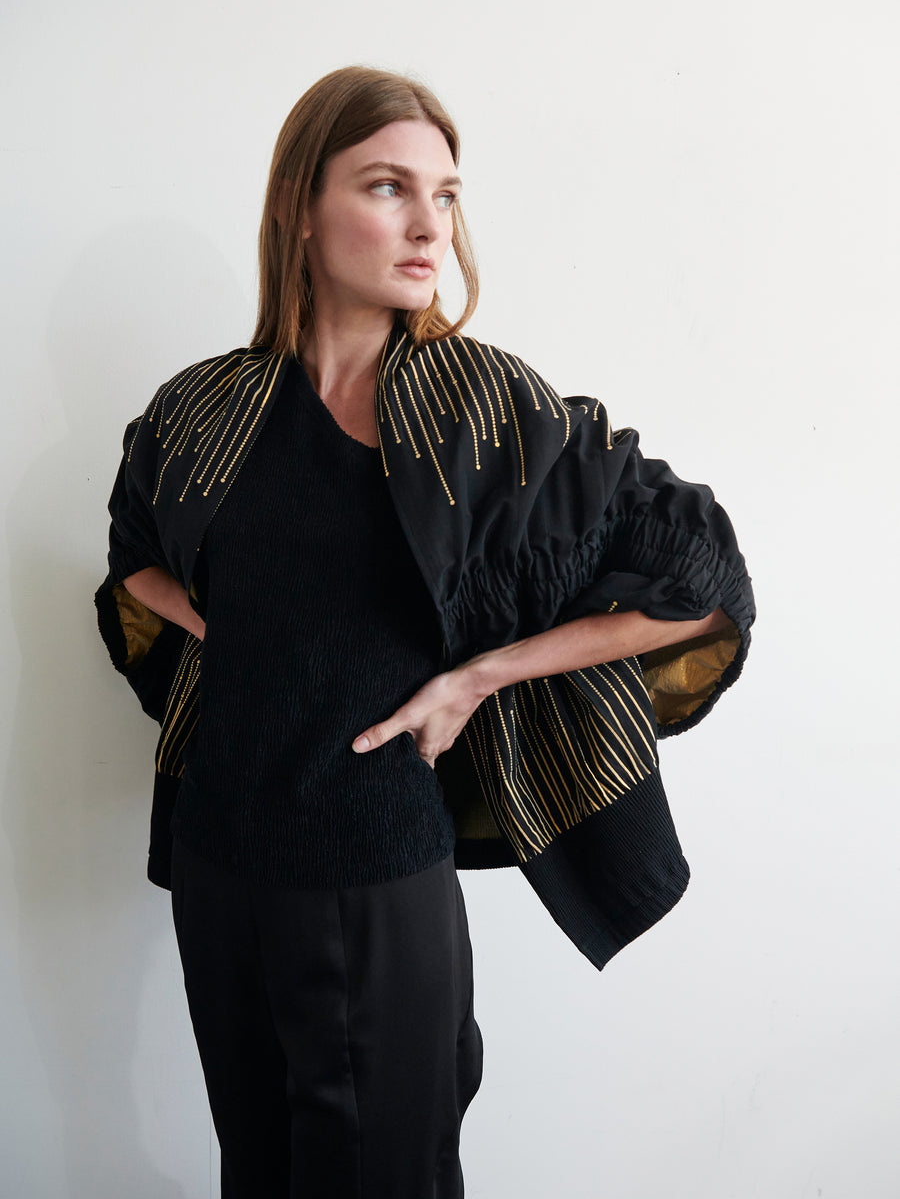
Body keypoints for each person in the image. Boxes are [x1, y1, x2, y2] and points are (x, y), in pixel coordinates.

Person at [96, 65, 754, 1199]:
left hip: (375, 873)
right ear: (301, 207)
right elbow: (133, 554)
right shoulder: (204, 407)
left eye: (445, 195)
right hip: (218, 867)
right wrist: (227, 627)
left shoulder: (487, 411)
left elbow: (698, 581)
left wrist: (480, 679)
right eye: (389, 187)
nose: (427, 225)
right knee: (256, 1171)